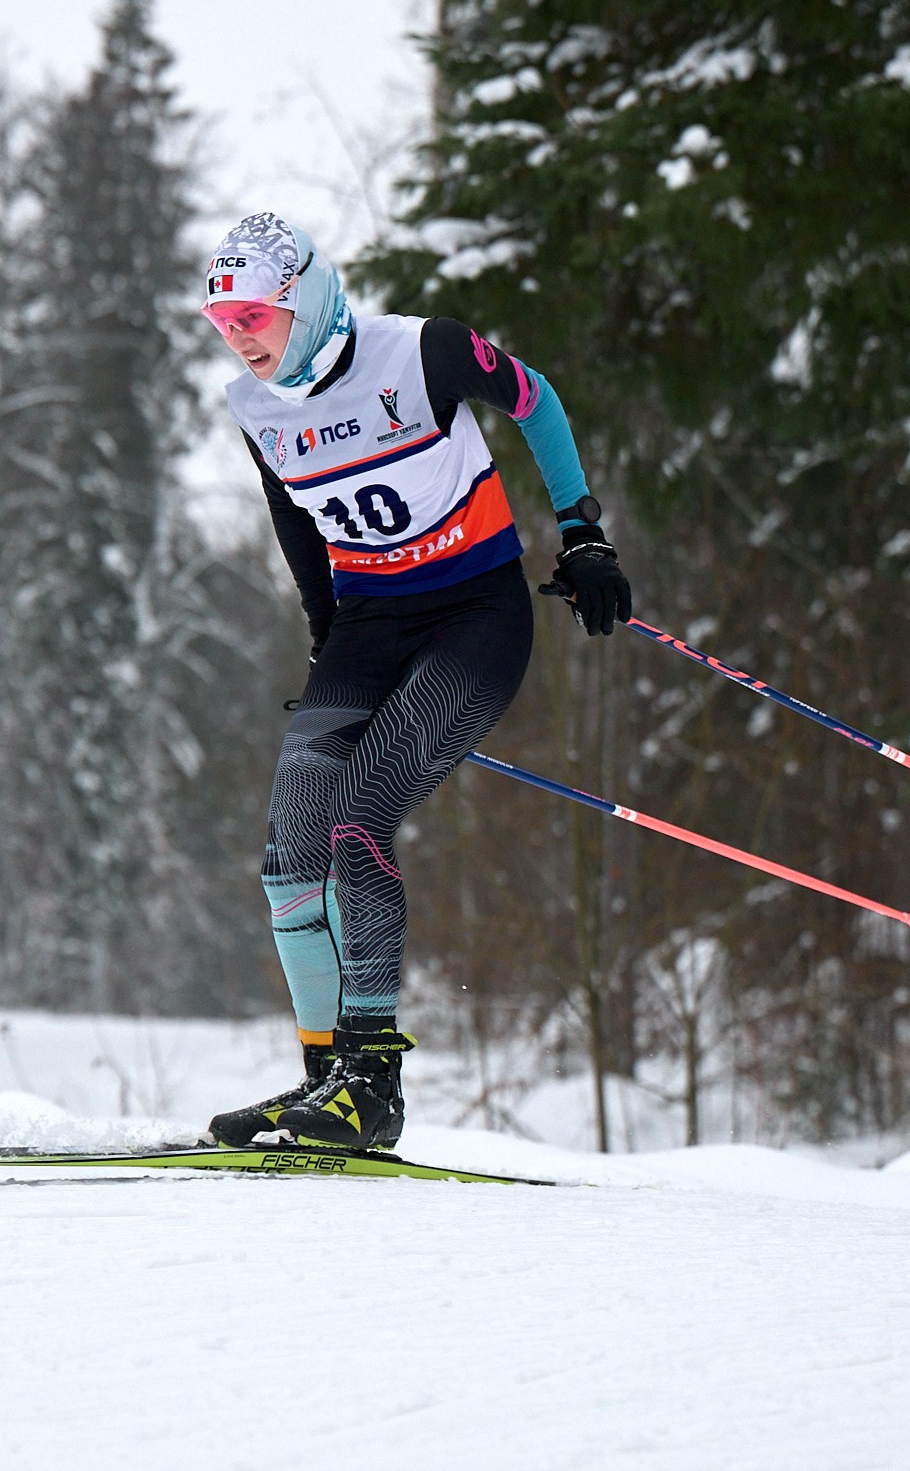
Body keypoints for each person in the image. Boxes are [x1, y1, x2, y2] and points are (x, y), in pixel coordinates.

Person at [200, 212, 630, 1151]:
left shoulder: (422, 353)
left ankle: (374, 1083)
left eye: (253, 315)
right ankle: (326, 1081)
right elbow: (295, 523)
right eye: (222, 321)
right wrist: (327, 645)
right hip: (366, 626)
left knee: (360, 817)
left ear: (304, 302)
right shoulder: (255, 405)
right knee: (287, 859)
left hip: (473, 617)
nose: (238, 335)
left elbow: (536, 400)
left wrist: (582, 532)